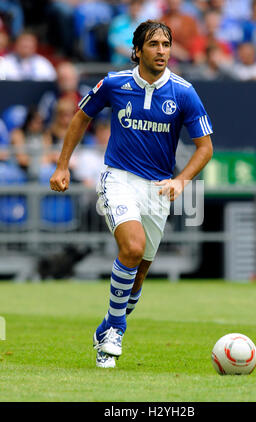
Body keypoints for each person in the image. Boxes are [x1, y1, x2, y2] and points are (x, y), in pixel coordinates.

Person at [50, 20, 213, 368]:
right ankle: (116, 330)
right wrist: (63, 165)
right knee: (133, 247)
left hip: (158, 189)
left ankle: (106, 327)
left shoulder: (184, 92)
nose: (162, 51)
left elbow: (205, 147)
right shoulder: (114, 83)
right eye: (154, 45)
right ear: (137, 50)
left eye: (166, 45)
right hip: (118, 178)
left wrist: (181, 180)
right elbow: (81, 117)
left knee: (138, 272)